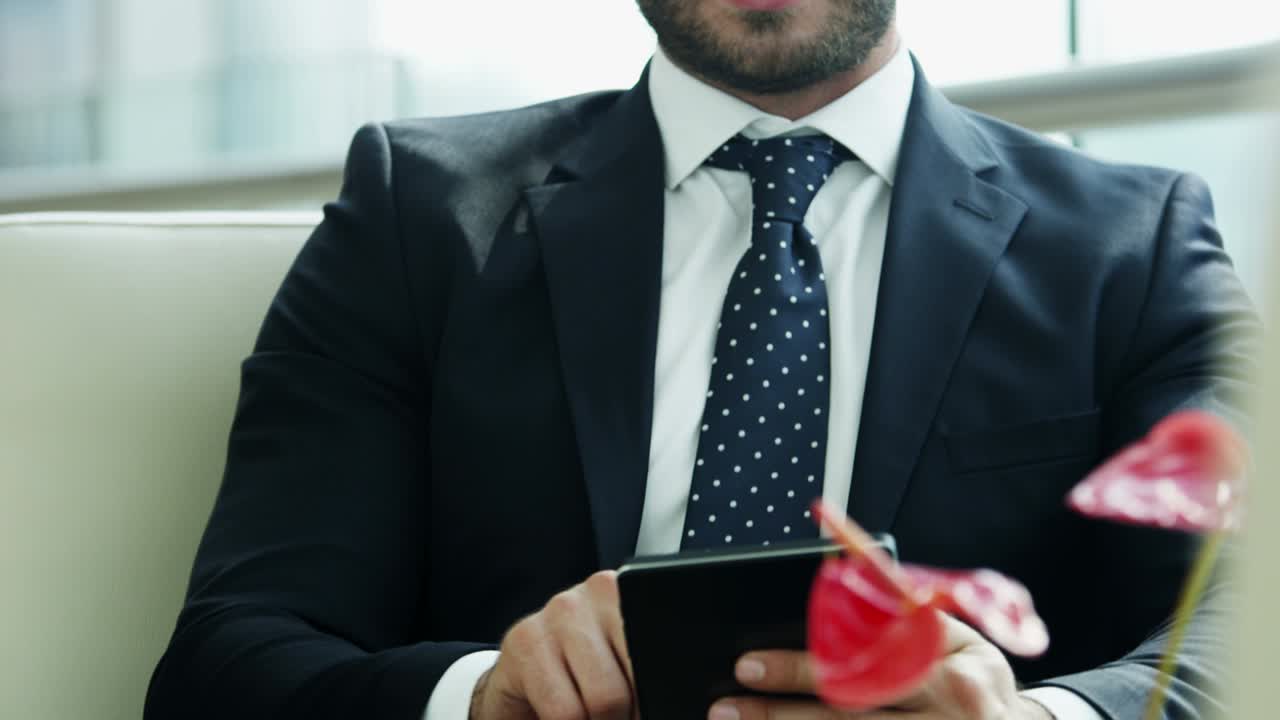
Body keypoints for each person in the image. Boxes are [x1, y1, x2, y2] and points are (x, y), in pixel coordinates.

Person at [144, 1, 1258, 718]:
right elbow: (229, 659)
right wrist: (481, 692)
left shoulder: (1132, 242)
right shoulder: (416, 214)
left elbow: (1245, 627)